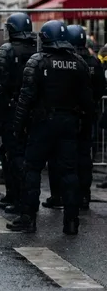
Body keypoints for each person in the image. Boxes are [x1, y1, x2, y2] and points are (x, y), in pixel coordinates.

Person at [7, 20, 93, 235]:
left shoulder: (37, 61)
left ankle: (28, 218)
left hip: (43, 124)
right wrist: (84, 128)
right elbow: (88, 101)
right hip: (69, 123)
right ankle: (71, 222)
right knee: (69, 172)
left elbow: (25, 99)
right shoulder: (79, 63)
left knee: (32, 169)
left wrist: (18, 127)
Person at [0, 13, 37, 213]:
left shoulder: (7, 50)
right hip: (34, 110)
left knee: (14, 154)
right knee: (23, 154)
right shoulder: (38, 48)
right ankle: (19, 197)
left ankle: (19, 199)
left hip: (12, 109)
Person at [65, 25, 104, 210]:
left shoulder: (70, 61)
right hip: (89, 115)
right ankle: (85, 197)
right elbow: (100, 88)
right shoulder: (94, 62)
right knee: (85, 157)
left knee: (68, 159)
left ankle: (69, 199)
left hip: (70, 115)